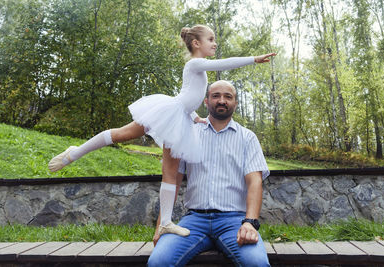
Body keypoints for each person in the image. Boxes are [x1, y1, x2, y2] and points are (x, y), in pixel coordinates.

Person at [48, 24, 275, 238]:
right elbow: (224, 64)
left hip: (180, 115)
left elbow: (189, 97)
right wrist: (253, 59)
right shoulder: (196, 63)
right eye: (211, 39)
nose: (215, 44)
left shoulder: (197, 67)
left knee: (170, 171)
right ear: (196, 43)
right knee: (123, 135)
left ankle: (165, 222)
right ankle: (76, 151)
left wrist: (195, 117)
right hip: (172, 113)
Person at [148, 80, 271, 267]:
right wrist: (161, 226)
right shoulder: (189, 134)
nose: (222, 100)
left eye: (227, 96)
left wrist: (250, 223)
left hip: (234, 221)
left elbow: (255, 182)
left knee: (257, 264)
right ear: (206, 102)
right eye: (216, 96)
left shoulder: (247, 138)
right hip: (194, 221)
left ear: (235, 103)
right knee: (158, 261)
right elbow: (172, 182)